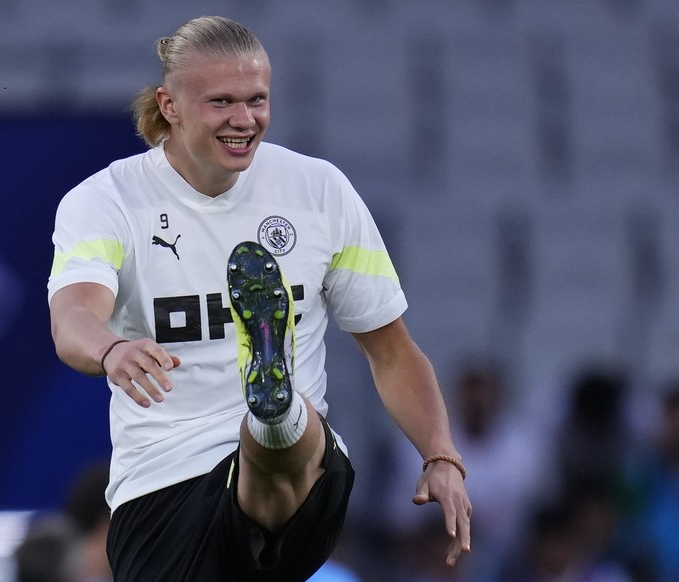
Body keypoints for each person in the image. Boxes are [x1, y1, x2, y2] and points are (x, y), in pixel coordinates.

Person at [47, 15, 471, 581]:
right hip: (164, 482)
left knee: (276, 450)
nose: (244, 120)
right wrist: (109, 351)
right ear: (168, 104)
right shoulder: (106, 201)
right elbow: (72, 315)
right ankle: (275, 415)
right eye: (221, 102)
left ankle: (276, 413)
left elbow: (391, 351)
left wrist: (442, 455)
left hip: (305, 478)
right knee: (266, 468)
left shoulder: (317, 190)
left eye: (257, 100)